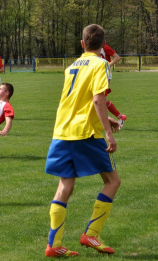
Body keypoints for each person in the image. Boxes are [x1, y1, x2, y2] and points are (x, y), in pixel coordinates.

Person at [44, 24, 121, 257]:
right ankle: (92, 234)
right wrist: (108, 132)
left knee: (65, 185)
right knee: (112, 181)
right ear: (103, 45)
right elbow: (97, 100)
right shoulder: (102, 64)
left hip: (62, 130)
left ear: (82, 43)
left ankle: (54, 245)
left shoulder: (72, 66)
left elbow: (78, 101)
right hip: (87, 132)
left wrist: (107, 118)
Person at [100, 43, 127, 126]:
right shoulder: (93, 48)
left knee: (101, 99)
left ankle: (119, 117)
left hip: (105, 74)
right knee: (102, 99)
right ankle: (120, 117)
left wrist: (107, 65)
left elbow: (117, 57)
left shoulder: (105, 47)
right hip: (98, 74)